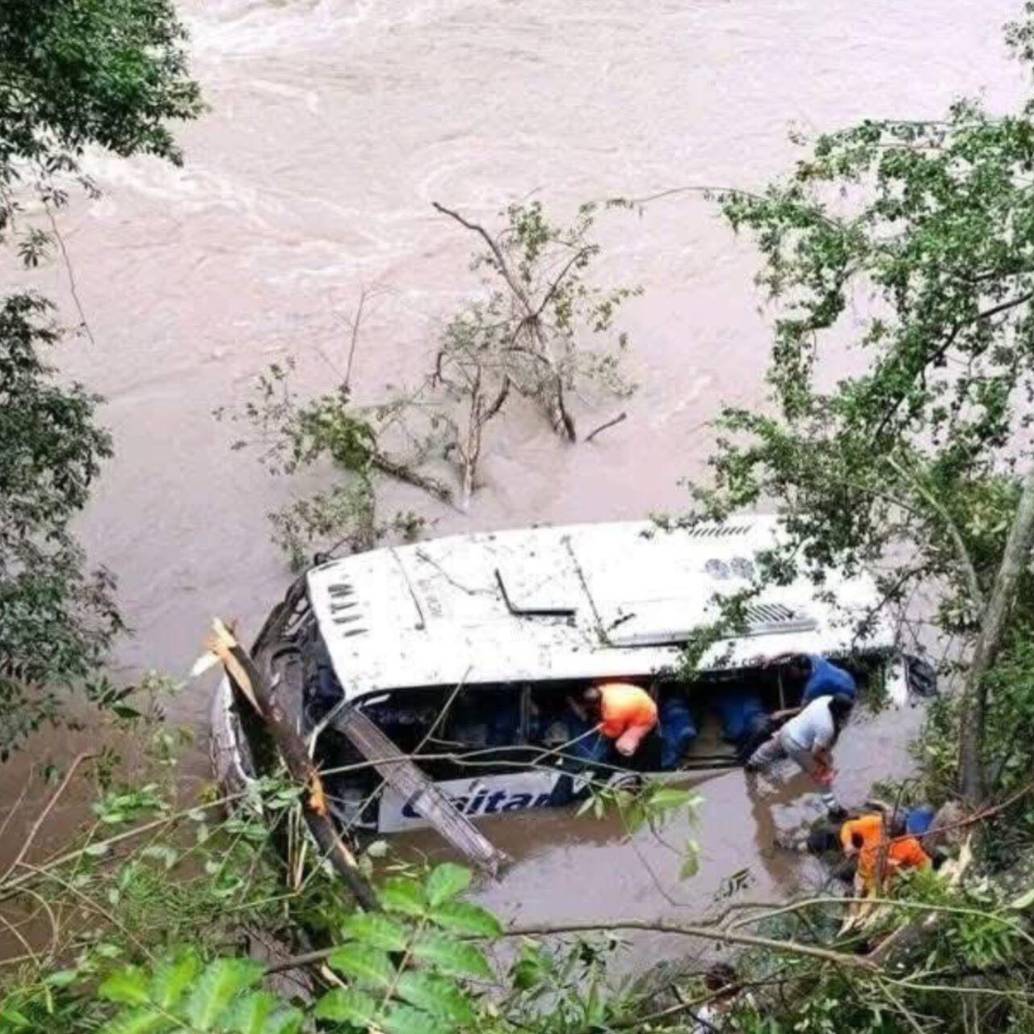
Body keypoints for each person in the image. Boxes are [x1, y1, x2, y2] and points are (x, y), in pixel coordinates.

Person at [744, 693, 854, 812]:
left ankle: (751, 764)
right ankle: (835, 810)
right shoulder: (827, 728)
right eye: (846, 713)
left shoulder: (824, 699)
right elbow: (815, 753)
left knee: (771, 747)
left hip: (789, 728)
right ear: (839, 712)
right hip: (795, 745)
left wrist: (784, 713)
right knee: (822, 775)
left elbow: (804, 709)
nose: (847, 715)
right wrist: (826, 765)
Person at [840, 811, 931, 895]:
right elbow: (848, 826)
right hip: (863, 874)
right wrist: (848, 843)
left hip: (885, 882)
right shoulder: (873, 823)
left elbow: (926, 864)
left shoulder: (910, 844)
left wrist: (915, 877)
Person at [582, 682, 658, 758]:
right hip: (640, 699)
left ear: (596, 704)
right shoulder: (604, 689)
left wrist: (599, 726)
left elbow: (614, 733)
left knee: (622, 745)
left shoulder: (613, 713)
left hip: (645, 718)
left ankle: (635, 757)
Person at [764, 652, 857, 705]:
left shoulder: (813, 686)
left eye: (794, 671)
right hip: (847, 677)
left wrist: (782, 713)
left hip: (847, 692)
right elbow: (794, 650)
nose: (791, 672)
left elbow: (802, 708)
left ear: (804, 671)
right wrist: (771, 658)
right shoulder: (814, 659)